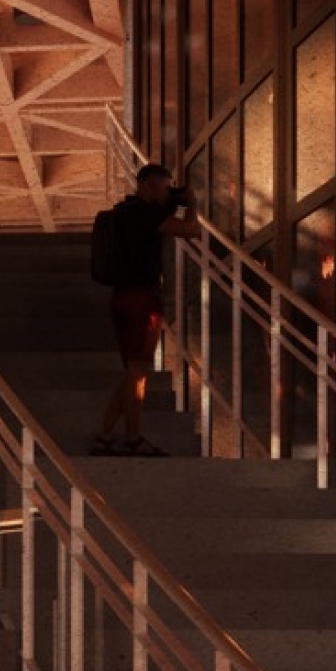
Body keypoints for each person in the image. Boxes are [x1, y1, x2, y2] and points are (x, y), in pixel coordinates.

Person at [92, 162, 198, 456]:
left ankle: (104, 436)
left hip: (121, 297)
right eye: (165, 188)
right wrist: (192, 204)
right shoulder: (144, 214)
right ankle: (134, 438)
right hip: (141, 299)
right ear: (150, 185)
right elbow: (191, 230)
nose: (168, 194)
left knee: (133, 370)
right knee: (138, 371)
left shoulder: (122, 212)